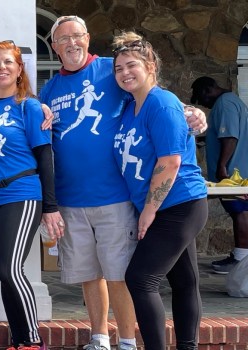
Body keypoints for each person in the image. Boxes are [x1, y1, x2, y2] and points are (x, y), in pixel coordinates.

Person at [39, 15, 208, 350]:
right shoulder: (49, 89)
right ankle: (100, 337)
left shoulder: (110, 69)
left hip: (119, 197)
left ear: (87, 38)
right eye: (62, 39)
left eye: (77, 36)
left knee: (124, 275)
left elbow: (152, 94)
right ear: (55, 48)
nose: (71, 43)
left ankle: (129, 341)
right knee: (91, 273)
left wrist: (191, 111)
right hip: (73, 198)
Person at [112, 32, 208, 350]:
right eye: (118, 68)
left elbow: (169, 162)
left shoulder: (162, 103)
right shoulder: (130, 106)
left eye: (131, 66)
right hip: (162, 206)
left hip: (179, 203)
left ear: (150, 66)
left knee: (140, 279)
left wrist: (148, 212)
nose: (125, 73)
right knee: (184, 281)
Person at [0, 40, 63, 350]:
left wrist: (50, 206)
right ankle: (19, 339)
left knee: (11, 269)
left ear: (19, 68)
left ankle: (33, 341)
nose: (2, 68)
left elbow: (45, 156)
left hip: (21, 195)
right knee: (3, 272)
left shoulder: (30, 106)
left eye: (8, 62)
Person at [191, 76, 248, 274]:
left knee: (240, 211)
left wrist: (222, 166)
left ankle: (241, 259)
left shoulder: (225, 104)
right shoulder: (232, 101)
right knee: (238, 211)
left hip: (234, 174)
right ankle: (241, 255)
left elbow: (230, 136)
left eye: (202, 97)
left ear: (209, 89)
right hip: (237, 170)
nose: (204, 103)